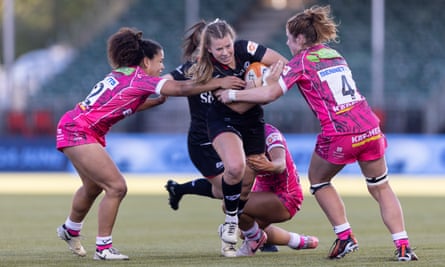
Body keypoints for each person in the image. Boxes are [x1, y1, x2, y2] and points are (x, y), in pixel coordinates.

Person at [215, 5, 418, 262]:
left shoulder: (299, 62)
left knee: (319, 180)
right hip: (369, 126)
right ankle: (403, 245)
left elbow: (269, 95)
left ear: (300, 39)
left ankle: (345, 236)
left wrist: (232, 94)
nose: (287, 43)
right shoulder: (334, 54)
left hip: (340, 132)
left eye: (289, 38)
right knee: (380, 186)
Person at [55, 27, 245, 261]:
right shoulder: (140, 78)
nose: (162, 67)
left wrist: (153, 103)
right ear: (145, 61)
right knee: (117, 187)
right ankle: (103, 248)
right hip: (79, 131)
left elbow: (123, 105)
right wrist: (218, 82)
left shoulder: (121, 74)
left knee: (93, 187)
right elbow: (181, 88)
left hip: (74, 125)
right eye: (160, 61)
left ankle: (70, 229)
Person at [163, 20, 284, 256]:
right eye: (218, 48)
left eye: (227, 46)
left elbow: (280, 68)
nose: (225, 52)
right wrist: (219, 85)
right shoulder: (196, 68)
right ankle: (250, 232)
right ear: (206, 47)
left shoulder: (244, 51)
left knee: (239, 188)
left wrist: (266, 85)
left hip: (249, 124)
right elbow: (168, 85)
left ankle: (248, 231)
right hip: (205, 138)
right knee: (232, 177)